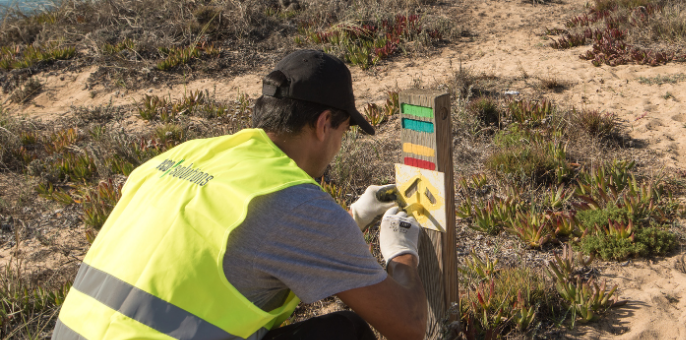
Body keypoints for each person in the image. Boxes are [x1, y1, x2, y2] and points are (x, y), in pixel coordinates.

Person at [53, 50, 427, 340]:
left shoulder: (180, 156)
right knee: (345, 333)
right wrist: (400, 251)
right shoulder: (296, 203)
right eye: (343, 132)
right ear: (324, 123)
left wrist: (354, 218)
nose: (338, 146)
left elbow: (238, 242)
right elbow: (409, 325)